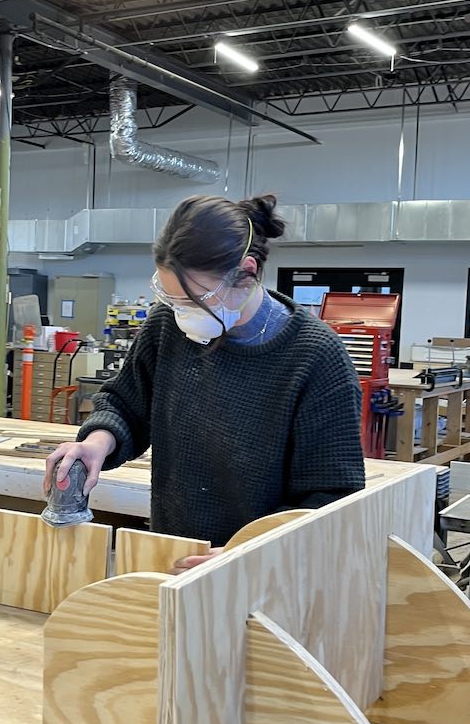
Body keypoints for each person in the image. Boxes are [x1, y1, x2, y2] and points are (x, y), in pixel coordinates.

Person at [43, 193, 365, 565]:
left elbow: (331, 498)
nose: (183, 314)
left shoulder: (315, 355)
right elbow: (125, 405)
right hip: (175, 554)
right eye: (172, 299)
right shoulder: (166, 327)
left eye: (196, 300)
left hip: (270, 572)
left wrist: (248, 554)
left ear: (245, 273)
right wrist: (98, 442)